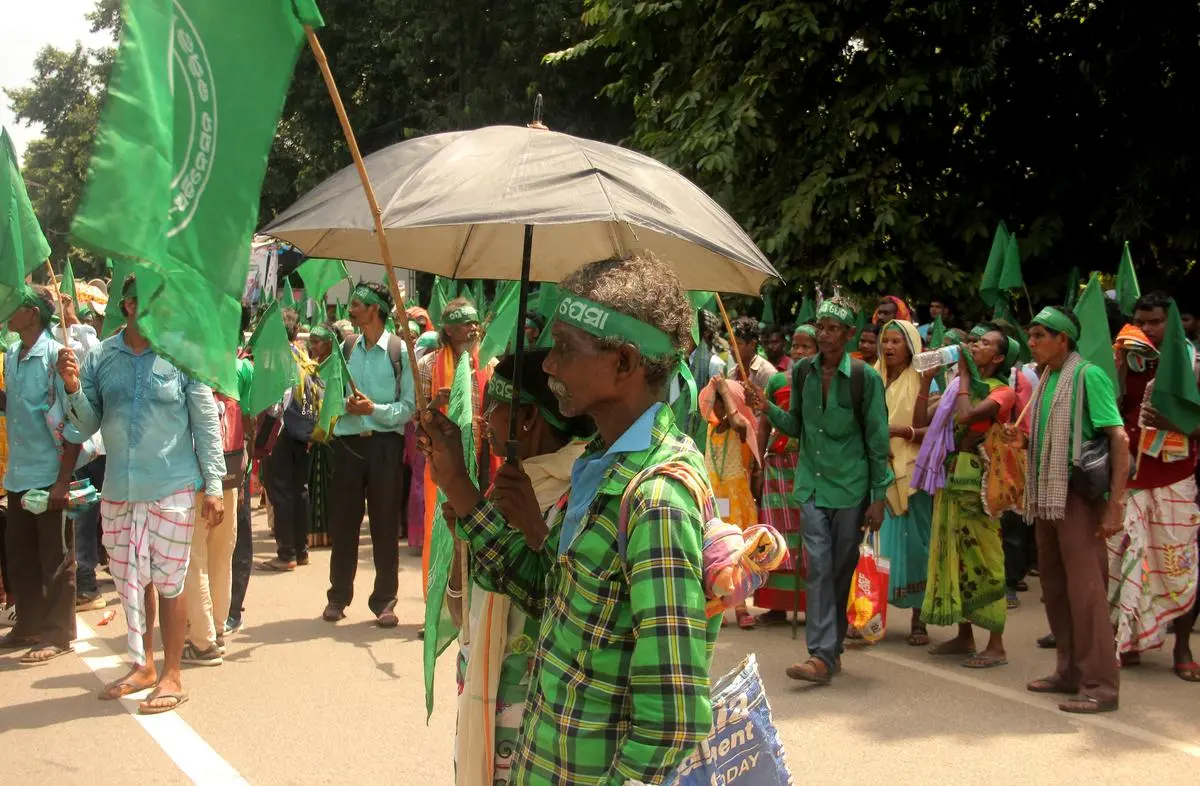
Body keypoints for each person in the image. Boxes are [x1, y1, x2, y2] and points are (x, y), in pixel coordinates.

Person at [420, 252, 721, 785]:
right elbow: (549, 595)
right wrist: (460, 487)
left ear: (624, 364)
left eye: (565, 349)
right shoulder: (597, 465)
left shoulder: (655, 498)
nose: (551, 366)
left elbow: (672, 721)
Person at [58, 275, 225, 714]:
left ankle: (172, 673)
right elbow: (85, 425)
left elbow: (206, 421)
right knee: (134, 582)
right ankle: (143, 666)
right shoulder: (100, 356)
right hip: (118, 490)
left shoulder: (181, 354)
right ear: (129, 306)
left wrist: (214, 485)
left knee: (170, 582)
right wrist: (73, 388)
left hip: (171, 487)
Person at [444, 350, 592, 786]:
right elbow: (461, 615)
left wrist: (532, 528)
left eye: (495, 406)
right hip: (485, 696)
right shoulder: (510, 485)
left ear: (527, 417)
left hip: (539, 714)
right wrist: (463, 539)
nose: (485, 419)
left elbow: (574, 608)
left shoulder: (582, 491)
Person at [747, 296, 893, 685]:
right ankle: (820, 656)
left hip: (851, 486)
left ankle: (832, 648)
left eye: (832, 329)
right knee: (819, 566)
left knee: (840, 570)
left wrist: (878, 497)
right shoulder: (801, 373)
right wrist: (766, 407)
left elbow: (878, 440)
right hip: (811, 485)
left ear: (847, 335)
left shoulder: (866, 378)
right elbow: (795, 426)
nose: (823, 334)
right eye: (821, 326)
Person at [1024, 306, 1128, 714]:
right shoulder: (1046, 379)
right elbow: (1051, 438)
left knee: (1086, 593)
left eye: (1038, 335)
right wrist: (1022, 442)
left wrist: (1115, 504)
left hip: (1078, 497)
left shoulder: (1089, 375)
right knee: (1054, 587)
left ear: (1062, 339)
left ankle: (1101, 684)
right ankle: (1068, 670)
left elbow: (1118, 438)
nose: (1031, 343)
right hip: (1047, 494)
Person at [1108, 293, 1199, 681]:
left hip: (1174, 476)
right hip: (1128, 474)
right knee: (1120, 559)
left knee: (1176, 563)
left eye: (1155, 322)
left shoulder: (1193, 363)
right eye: (1140, 321)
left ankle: (1182, 646)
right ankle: (1127, 639)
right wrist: (1116, 367)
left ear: (1172, 323)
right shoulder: (1123, 357)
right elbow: (1109, 409)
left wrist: (1173, 425)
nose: (1146, 329)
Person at [913, 327, 1017, 668]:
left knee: (984, 559)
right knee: (953, 555)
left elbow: (967, 416)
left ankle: (996, 644)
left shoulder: (1002, 392)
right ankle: (965, 635)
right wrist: (928, 383)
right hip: (951, 476)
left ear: (999, 358)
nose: (975, 346)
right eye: (975, 341)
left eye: (985, 343)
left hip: (980, 483)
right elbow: (921, 423)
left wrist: (965, 378)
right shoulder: (958, 386)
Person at [0, 286, 93, 664]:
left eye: (15, 306)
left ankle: (57, 633)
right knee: (19, 554)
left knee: (55, 556)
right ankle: (29, 624)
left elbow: (74, 422)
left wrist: (61, 480)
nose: (7, 310)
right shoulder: (11, 353)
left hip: (49, 473)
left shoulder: (58, 356)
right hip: (18, 473)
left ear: (33, 314)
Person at [323, 282, 416, 626]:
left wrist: (371, 408)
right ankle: (337, 597)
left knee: (384, 525)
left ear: (374, 309)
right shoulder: (346, 348)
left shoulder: (401, 351)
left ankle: (384, 602)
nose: (351, 309)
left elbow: (407, 408)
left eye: (358, 304)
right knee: (344, 524)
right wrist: (343, 406)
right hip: (348, 446)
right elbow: (331, 395)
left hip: (384, 447)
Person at [416, 298, 485, 588]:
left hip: (482, 461)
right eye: (466, 323)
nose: (474, 328)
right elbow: (416, 419)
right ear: (450, 329)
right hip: (443, 463)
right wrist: (435, 402)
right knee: (440, 529)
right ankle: (437, 601)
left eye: (475, 322)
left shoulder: (488, 364)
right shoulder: (427, 365)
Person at [875, 320, 933, 645]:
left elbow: (924, 425)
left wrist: (898, 433)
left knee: (917, 546)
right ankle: (869, 614)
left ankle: (919, 620)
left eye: (897, 341)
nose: (889, 347)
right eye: (886, 340)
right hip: (878, 475)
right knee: (876, 548)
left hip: (913, 475)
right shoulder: (874, 377)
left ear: (911, 347)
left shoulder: (921, 380)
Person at [753, 325, 814, 625]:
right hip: (778, 463)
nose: (800, 352)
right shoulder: (777, 380)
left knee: (806, 532)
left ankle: (809, 602)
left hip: (807, 464)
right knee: (776, 532)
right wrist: (758, 462)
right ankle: (775, 604)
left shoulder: (821, 383)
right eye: (797, 347)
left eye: (808, 347)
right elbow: (765, 423)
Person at [257, 308, 319, 572]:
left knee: (280, 491)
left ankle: (286, 554)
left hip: (280, 431)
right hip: (301, 431)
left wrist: (262, 437)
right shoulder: (301, 353)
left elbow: (274, 403)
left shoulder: (275, 357)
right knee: (298, 489)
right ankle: (300, 549)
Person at [699, 376, 760, 629]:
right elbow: (702, 415)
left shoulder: (740, 428)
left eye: (724, 403)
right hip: (715, 499)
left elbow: (737, 420)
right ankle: (718, 604)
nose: (719, 409)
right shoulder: (709, 430)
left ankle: (741, 606)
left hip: (736, 499)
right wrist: (713, 394)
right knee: (716, 553)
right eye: (717, 404)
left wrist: (726, 390)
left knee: (738, 554)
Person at [729, 316, 777, 390]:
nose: (732, 349)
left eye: (737, 344)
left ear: (752, 344)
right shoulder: (732, 373)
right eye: (730, 344)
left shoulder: (766, 373)